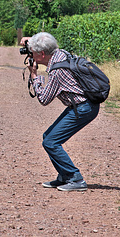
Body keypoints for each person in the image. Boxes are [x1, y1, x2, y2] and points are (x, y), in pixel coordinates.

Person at [19, 32, 99, 192]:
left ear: (42, 54)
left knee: (51, 142)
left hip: (83, 108)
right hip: (82, 105)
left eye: (33, 52)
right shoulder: (60, 53)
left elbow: (44, 99)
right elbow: (46, 42)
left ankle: (75, 179)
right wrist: (31, 41)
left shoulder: (57, 72)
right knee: (48, 137)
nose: (31, 55)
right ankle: (64, 177)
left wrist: (34, 76)